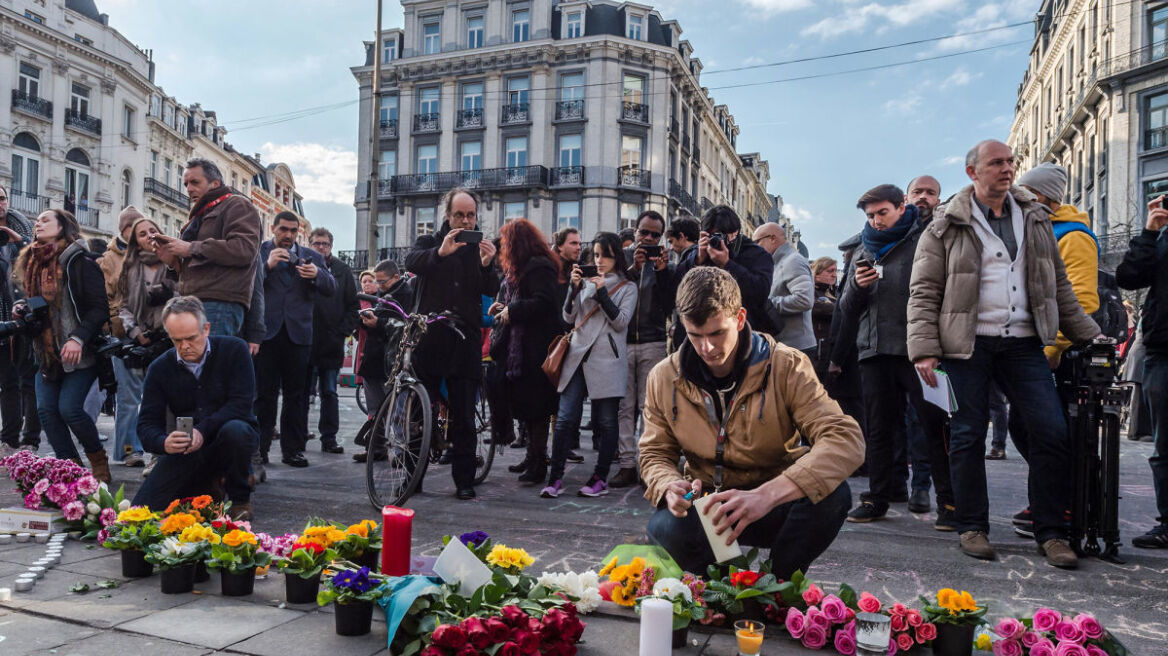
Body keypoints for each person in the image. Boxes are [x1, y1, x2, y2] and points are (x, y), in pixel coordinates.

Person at [908, 140, 1100, 567]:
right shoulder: (945, 224)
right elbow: (924, 291)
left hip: (1024, 343)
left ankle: (1052, 533)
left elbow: (1059, 286)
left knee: (1050, 430)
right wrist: (924, 349)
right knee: (967, 433)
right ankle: (972, 526)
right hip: (967, 344)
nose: (1007, 169)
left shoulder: (1034, 217)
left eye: (1011, 162)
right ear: (972, 171)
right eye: (996, 163)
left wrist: (1090, 336)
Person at [640, 267, 863, 579]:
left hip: (772, 503)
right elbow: (654, 453)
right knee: (663, 527)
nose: (707, 349)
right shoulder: (663, 376)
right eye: (695, 335)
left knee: (833, 494)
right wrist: (667, 485)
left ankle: (781, 581)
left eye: (717, 333)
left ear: (740, 318)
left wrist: (769, 494)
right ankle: (725, 584)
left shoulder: (787, 366)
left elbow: (846, 439)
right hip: (709, 507)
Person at [835, 184, 954, 528]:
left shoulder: (926, 240)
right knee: (879, 429)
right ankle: (878, 497)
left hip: (917, 350)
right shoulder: (863, 246)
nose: (876, 221)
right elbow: (845, 307)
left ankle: (948, 502)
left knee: (934, 425)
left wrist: (934, 347)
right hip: (873, 351)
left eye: (882, 212)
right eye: (870, 215)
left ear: (902, 206)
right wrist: (858, 286)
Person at [405, 188, 499, 500]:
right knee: (419, 411)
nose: (465, 220)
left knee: (463, 414)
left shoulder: (479, 249)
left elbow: (491, 287)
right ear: (448, 215)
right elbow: (412, 261)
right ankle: (411, 477)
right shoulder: (431, 242)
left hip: (465, 340)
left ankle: (464, 480)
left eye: (470, 215)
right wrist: (440, 253)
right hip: (430, 336)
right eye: (459, 214)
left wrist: (487, 265)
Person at [132, 296, 259, 521]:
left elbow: (241, 404)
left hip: (229, 437)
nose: (185, 347)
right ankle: (210, 485)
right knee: (141, 511)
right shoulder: (160, 368)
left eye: (191, 338)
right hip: (188, 449)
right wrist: (163, 443)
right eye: (176, 340)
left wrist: (202, 430)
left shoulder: (234, 350)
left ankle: (240, 497)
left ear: (206, 329)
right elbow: (146, 425)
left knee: (236, 431)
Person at [14, 209, 110, 481]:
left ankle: (98, 461)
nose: (38, 223)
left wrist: (78, 337)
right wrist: (22, 307)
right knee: (46, 411)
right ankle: (72, 472)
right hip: (45, 351)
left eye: (45, 220)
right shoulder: (30, 262)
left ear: (63, 226)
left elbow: (99, 309)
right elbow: (37, 304)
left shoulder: (81, 261)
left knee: (70, 409)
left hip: (80, 351)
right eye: (37, 220)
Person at [540, 232, 637, 499]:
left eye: (605, 254)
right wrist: (573, 290)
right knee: (564, 420)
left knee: (606, 422)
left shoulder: (628, 287)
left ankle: (599, 477)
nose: (600, 260)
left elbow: (621, 322)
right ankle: (555, 478)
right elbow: (568, 317)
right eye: (596, 255)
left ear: (616, 256)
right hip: (577, 356)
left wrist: (603, 293)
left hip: (607, 359)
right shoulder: (583, 283)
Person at [254, 212, 336, 468]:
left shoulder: (312, 257)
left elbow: (331, 287)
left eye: (292, 230)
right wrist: (266, 267)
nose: (288, 235)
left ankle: (292, 450)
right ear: (273, 228)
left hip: (298, 336)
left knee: (296, 396)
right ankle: (260, 449)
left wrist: (316, 275)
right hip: (267, 334)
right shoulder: (259, 252)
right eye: (283, 230)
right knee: (264, 395)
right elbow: (247, 285)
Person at [488, 219, 561, 485]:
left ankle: (538, 463)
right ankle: (532, 457)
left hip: (536, 349)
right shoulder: (525, 268)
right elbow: (522, 300)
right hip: (524, 348)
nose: (502, 247)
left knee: (537, 410)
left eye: (506, 241)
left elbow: (544, 303)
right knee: (530, 409)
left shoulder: (539, 267)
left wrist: (513, 310)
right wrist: (503, 306)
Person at [154, 158, 262, 337]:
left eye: (195, 182)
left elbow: (244, 249)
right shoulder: (202, 214)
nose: (188, 189)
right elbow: (200, 266)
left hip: (220, 303)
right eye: (186, 183)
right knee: (198, 364)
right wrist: (173, 262)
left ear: (215, 184)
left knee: (211, 362)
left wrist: (190, 248)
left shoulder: (237, 204)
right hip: (195, 302)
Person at [1115, 194, 1168, 548]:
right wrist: (1149, 232)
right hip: (1162, 351)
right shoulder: (1162, 235)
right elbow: (1129, 277)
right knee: (1164, 449)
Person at [614, 211, 674, 488]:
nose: (648, 239)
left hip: (653, 340)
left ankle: (647, 465)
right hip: (623, 341)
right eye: (644, 233)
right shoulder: (623, 258)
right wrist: (633, 270)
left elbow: (670, 305)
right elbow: (611, 294)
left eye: (654, 235)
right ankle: (627, 465)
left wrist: (662, 273)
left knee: (649, 407)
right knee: (625, 408)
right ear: (635, 231)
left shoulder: (665, 264)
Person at [114, 216, 177, 469]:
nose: (149, 235)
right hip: (136, 339)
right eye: (142, 233)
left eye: (153, 230)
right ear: (135, 241)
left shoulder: (173, 264)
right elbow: (124, 306)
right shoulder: (129, 267)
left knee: (162, 399)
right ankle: (131, 450)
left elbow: (185, 296)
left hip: (167, 338)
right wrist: (135, 331)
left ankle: (158, 453)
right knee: (129, 399)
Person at [675, 205, 774, 335]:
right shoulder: (695, 252)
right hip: (695, 332)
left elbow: (760, 293)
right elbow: (675, 288)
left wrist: (727, 264)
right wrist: (698, 259)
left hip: (740, 333)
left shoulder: (756, 254)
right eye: (710, 235)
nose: (716, 239)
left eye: (720, 235)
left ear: (735, 232)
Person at [353, 260, 414, 463]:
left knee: (397, 409)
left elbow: (406, 325)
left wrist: (379, 323)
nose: (379, 286)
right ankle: (376, 446)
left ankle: (399, 451)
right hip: (374, 358)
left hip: (392, 360)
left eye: (382, 281)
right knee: (375, 409)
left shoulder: (407, 295)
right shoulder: (382, 294)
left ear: (396, 277)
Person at [307, 228, 358, 455]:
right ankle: (297, 439)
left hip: (331, 342)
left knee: (330, 392)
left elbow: (352, 306)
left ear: (331, 246)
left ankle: (329, 438)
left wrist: (341, 332)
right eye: (317, 243)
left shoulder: (342, 270)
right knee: (299, 393)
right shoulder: (301, 266)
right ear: (309, 244)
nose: (321, 247)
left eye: (325, 244)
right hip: (304, 341)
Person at [0, 184, 38, 452]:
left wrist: (18, 241)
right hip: (2, 320)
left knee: (28, 382)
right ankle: (9, 436)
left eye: (1, 198)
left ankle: (31, 439)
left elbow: (36, 263)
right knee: (7, 382)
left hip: (26, 319)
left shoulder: (25, 231)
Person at [752, 223, 815, 357]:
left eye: (757, 241)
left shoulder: (793, 261)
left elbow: (804, 300)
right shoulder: (776, 262)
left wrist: (767, 304)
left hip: (796, 349)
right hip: (786, 347)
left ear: (773, 238)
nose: (755, 247)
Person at [810, 257, 837, 375]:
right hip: (820, 350)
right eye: (830, 271)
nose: (834, 275)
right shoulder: (811, 292)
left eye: (835, 271)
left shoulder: (836, 292)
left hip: (834, 349)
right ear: (817, 273)